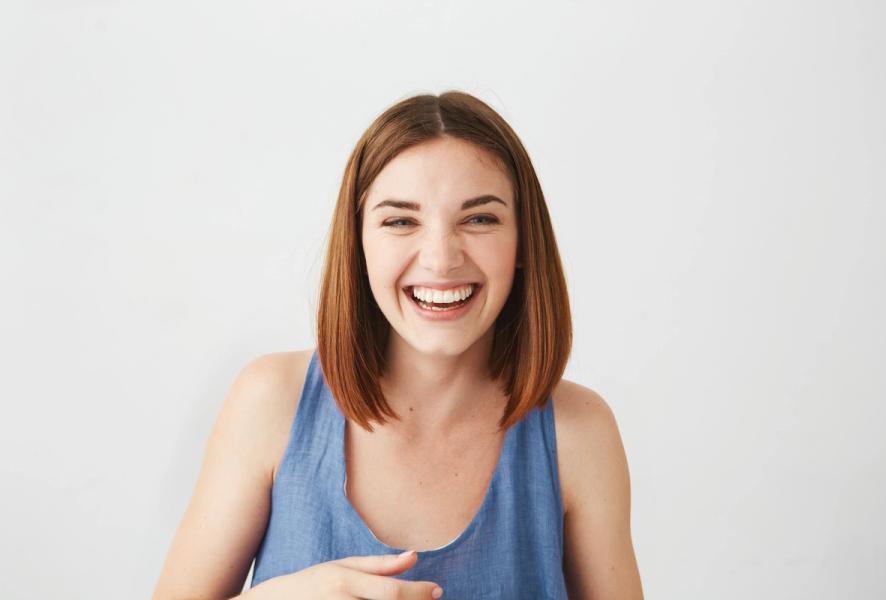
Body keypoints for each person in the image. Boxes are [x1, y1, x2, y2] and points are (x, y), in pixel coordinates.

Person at [151, 91, 644, 599]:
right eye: (400, 221)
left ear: (523, 243)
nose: (440, 259)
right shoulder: (270, 401)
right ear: (358, 242)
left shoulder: (579, 433)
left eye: (479, 218)